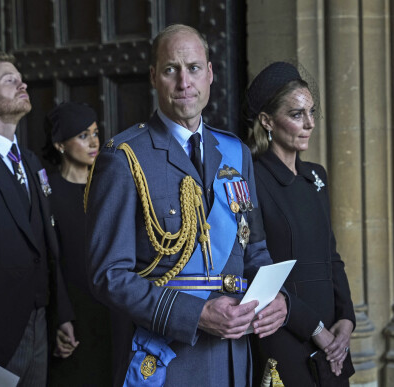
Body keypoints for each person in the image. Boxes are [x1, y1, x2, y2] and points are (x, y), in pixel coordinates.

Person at [85, 24, 288, 387]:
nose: (184, 82)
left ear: (210, 74)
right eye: (170, 70)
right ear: (153, 77)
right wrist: (195, 315)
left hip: (233, 357)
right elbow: (109, 276)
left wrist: (278, 299)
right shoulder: (125, 157)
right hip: (169, 361)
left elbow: (254, 249)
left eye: (193, 68)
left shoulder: (235, 152)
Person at [0, 52, 77, 386]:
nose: (22, 83)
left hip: (40, 322)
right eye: (9, 79)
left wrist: (61, 314)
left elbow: (48, 245)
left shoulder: (30, 161)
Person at [245, 61, 356, 387]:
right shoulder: (250, 178)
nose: (309, 124)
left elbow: (331, 256)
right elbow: (253, 269)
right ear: (267, 121)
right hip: (284, 332)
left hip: (332, 338)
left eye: (311, 112)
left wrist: (346, 319)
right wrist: (314, 328)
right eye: (296, 115)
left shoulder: (315, 177)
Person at [42, 102, 113, 386]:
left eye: (95, 133)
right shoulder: (47, 192)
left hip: (110, 310)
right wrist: (60, 317)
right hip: (69, 313)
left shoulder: (108, 187)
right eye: (83, 135)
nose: (94, 142)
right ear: (60, 144)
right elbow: (50, 260)